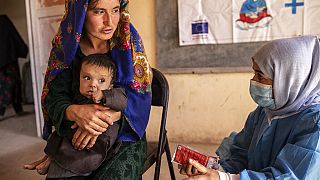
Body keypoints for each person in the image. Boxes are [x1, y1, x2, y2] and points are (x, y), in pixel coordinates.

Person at [24, 0, 152, 179]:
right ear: (80, 12)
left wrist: (101, 120)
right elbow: (54, 97)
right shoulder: (67, 47)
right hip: (75, 133)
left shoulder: (129, 44)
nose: (110, 21)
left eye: (115, 10)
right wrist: (75, 112)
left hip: (124, 134)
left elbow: (140, 100)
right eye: (99, 12)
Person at [180, 36, 320, 180]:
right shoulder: (265, 112)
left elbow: (292, 176)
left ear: (289, 79)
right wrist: (214, 169)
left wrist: (225, 178)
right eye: (254, 73)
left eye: (260, 75)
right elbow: (241, 152)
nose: (253, 81)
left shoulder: (315, 124)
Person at [36, 54, 127, 177]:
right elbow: (58, 101)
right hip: (73, 132)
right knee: (57, 136)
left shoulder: (114, 93)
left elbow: (122, 102)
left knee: (81, 158)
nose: (93, 85)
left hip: (99, 139)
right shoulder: (77, 96)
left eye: (101, 80)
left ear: (111, 84)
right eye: (86, 78)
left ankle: (65, 165)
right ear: (78, 79)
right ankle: (51, 158)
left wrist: (104, 96)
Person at [0, 15, 28, 119]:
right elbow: (14, 35)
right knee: (13, 83)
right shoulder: (4, 20)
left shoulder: (3, 20)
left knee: (9, 84)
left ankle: (16, 109)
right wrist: (22, 48)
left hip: (8, 57)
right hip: (9, 57)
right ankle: (15, 109)